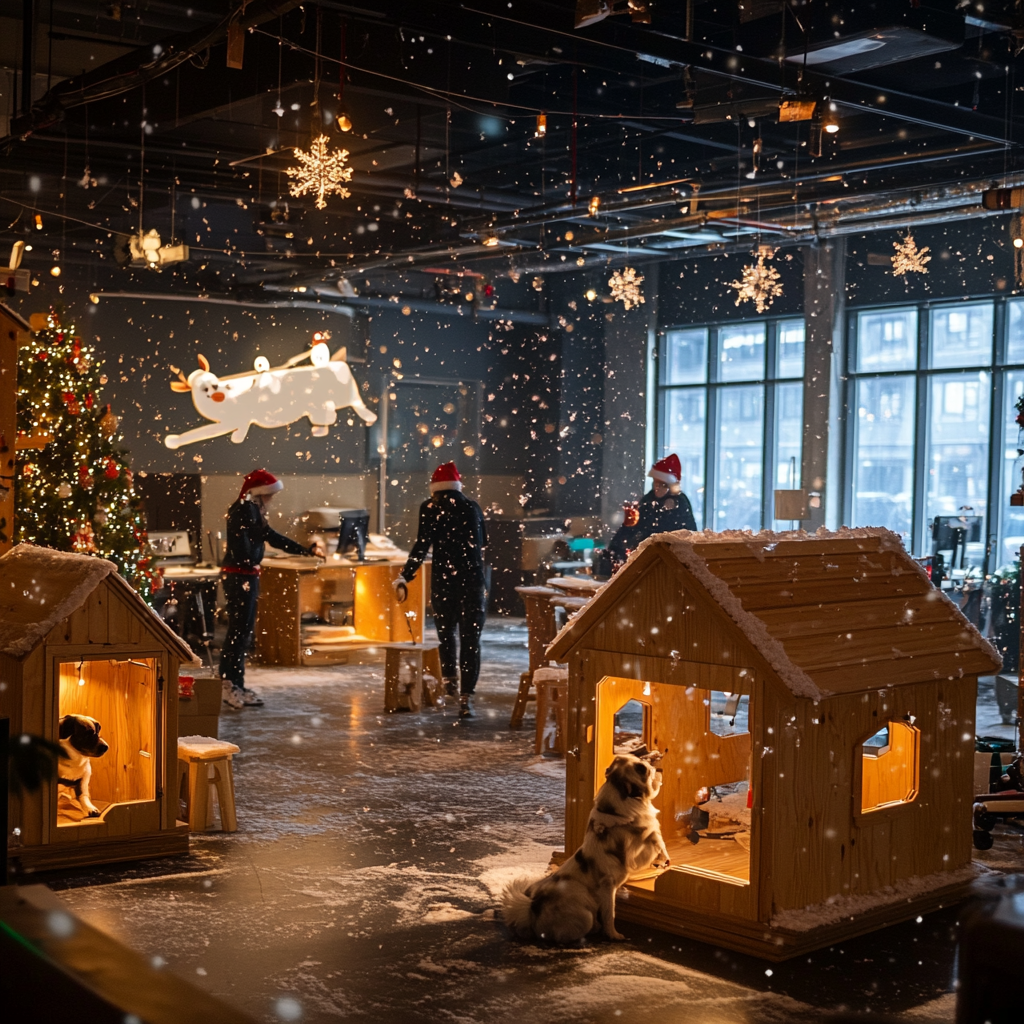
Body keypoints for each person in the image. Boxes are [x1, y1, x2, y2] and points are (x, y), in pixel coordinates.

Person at [219, 469, 324, 709]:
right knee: (238, 633)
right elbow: (243, 549)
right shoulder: (242, 511)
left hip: (247, 577)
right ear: (259, 494)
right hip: (239, 578)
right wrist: (255, 550)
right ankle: (228, 685)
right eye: (269, 496)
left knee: (243, 633)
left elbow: (271, 537)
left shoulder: (252, 511)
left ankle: (237, 683)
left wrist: (304, 550)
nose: (271, 501)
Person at [395, 462, 487, 719]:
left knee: (447, 634)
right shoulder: (472, 507)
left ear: (435, 489)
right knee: (471, 640)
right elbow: (484, 542)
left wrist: (406, 575)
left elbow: (422, 545)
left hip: (444, 580)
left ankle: (449, 684)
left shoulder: (430, 508)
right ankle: (466, 696)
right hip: (472, 581)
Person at [601, 454, 697, 575]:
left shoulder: (680, 503)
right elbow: (633, 530)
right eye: (655, 483)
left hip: (668, 563)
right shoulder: (647, 501)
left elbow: (686, 535)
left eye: (662, 484)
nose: (657, 488)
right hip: (645, 559)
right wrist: (615, 549)